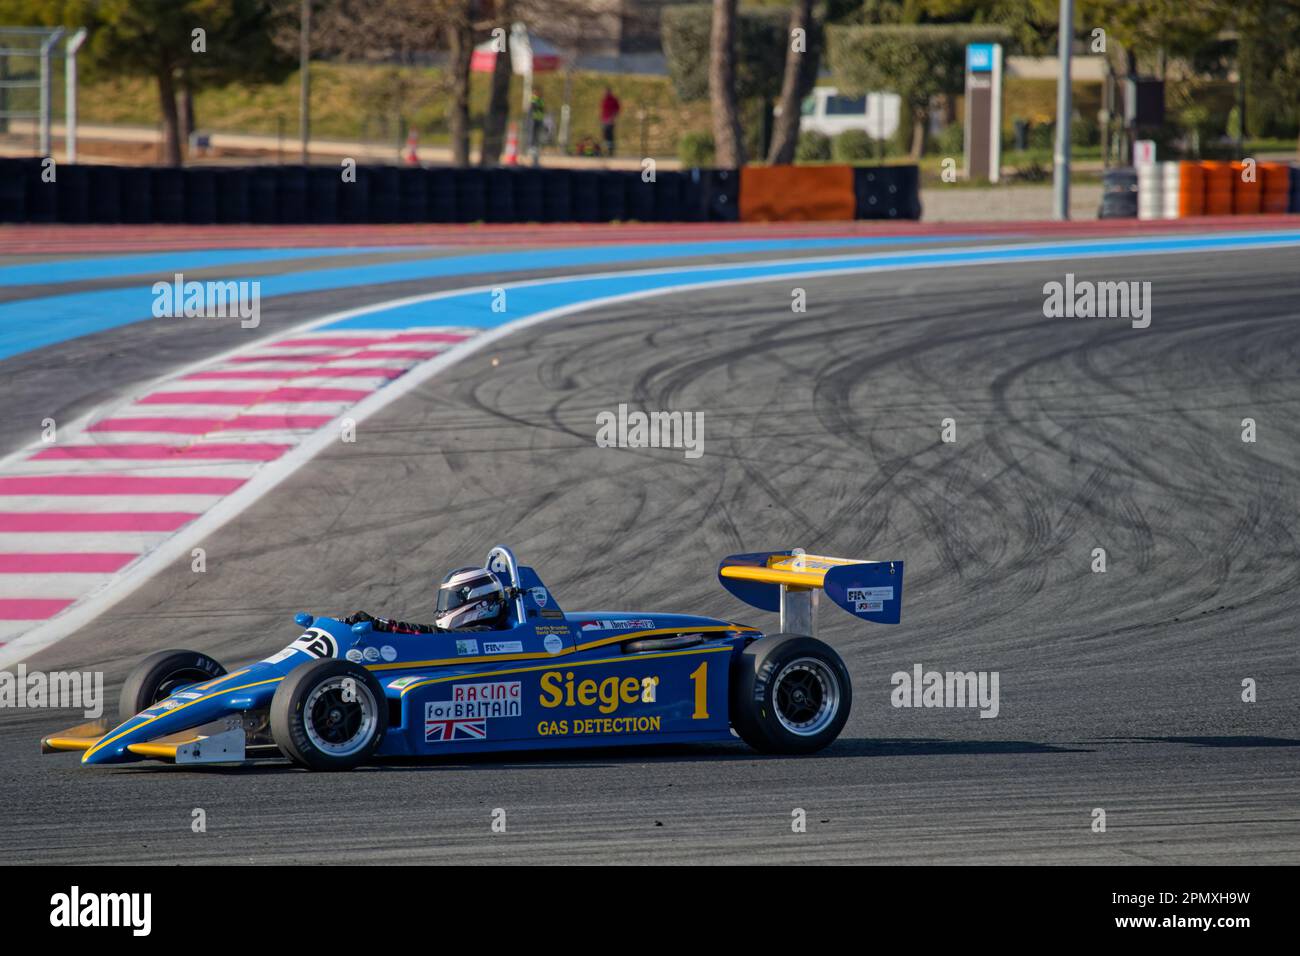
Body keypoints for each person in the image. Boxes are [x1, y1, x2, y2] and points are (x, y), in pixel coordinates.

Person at [345, 567, 511, 634]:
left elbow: (433, 634)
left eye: (452, 599)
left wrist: (381, 624)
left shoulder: (481, 633)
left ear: (478, 600)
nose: (446, 606)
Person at [599, 87, 621, 157]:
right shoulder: (604, 99)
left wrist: (612, 118)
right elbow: (602, 110)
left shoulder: (613, 100)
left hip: (610, 121)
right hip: (604, 120)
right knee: (605, 136)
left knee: (610, 136)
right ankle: (605, 151)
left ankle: (610, 152)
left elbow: (617, 110)